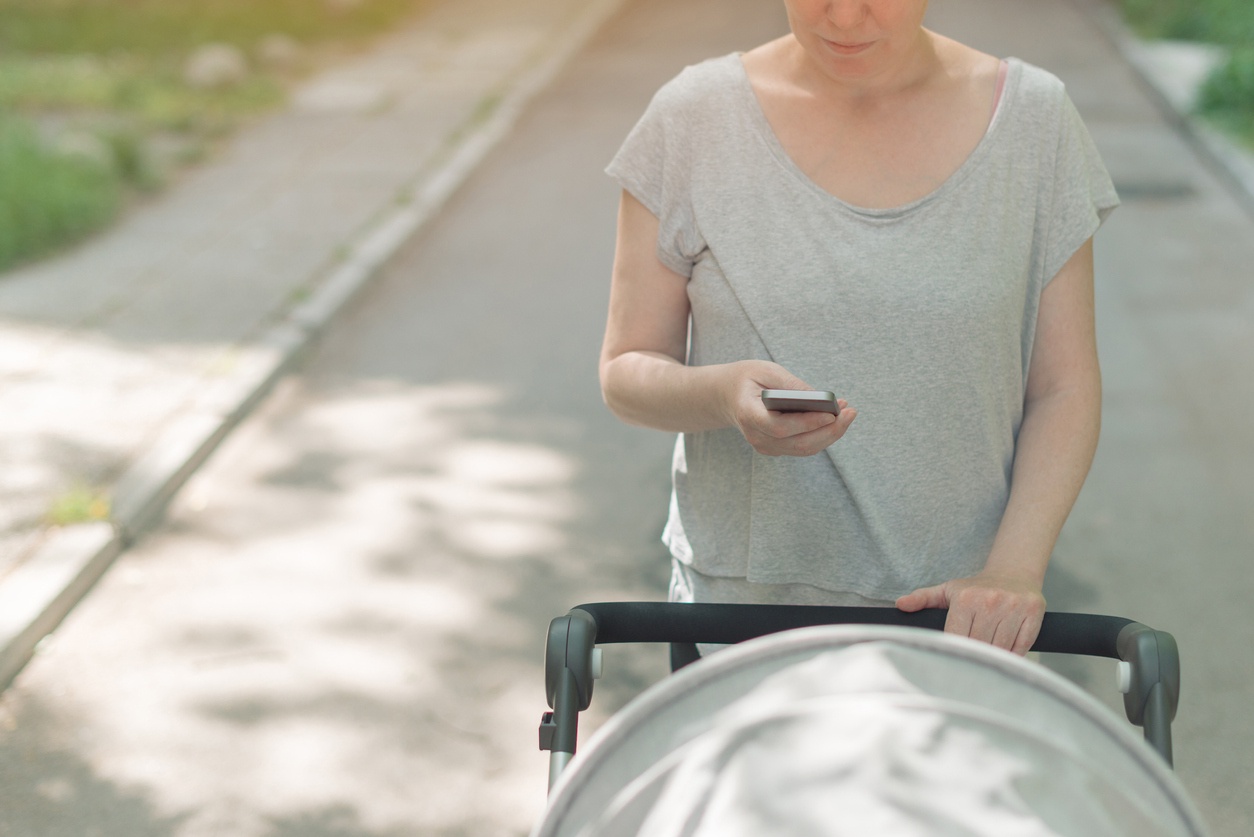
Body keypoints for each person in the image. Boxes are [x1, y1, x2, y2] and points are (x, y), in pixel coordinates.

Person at [599, 0, 1118, 655]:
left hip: (957, 624)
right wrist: (721, 394)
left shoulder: (1035, 123)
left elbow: (1063, 385)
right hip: (735, 632)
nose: (844, 17)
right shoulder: (691, 118)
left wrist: (1013, 569)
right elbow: (627, 367)